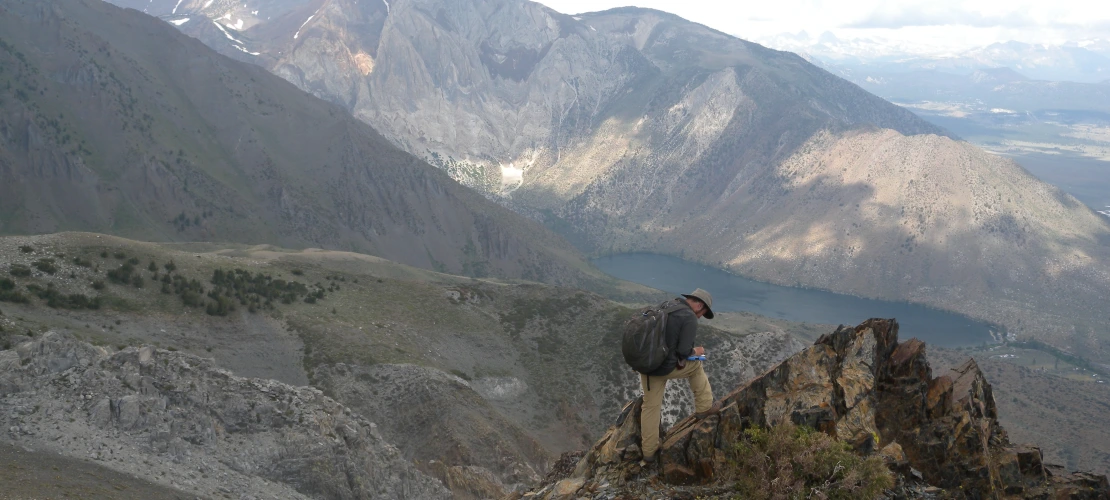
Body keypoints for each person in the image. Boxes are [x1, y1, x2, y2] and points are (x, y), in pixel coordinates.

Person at [640, 288, 720, 464]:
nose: (701, 317)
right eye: (703, 312)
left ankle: (649, 452)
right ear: (699, 305)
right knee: (696, 365)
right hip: (664, 367)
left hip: (647, 366)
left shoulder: (667, 305)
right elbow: (684, 351)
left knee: (650, 407)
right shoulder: (689, 317)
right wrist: (696, 351)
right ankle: (704, 407)